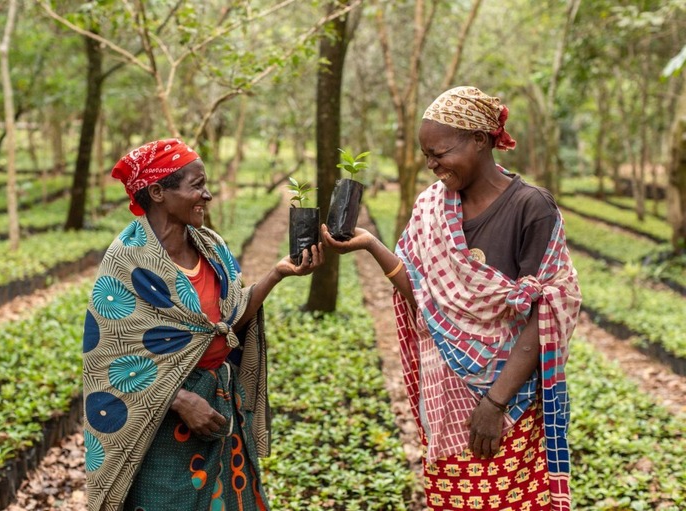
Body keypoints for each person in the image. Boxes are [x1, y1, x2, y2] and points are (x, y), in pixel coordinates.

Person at [322, 86, 582, 511]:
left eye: (440, 152)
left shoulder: (531, 208)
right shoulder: (432, 207)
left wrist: (494, 403)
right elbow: (425, 297)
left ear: (480, 139)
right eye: (427, 155)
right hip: (445, 401)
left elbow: (547, 311)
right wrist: (370, 244)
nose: (432, 165)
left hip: (510, 403)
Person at [81, 138, 324, 511]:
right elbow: (109, 363)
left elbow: (226, 324)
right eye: (197, 185)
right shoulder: (127, 261)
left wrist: (277, 274)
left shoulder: (210, 245)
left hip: (218, 407)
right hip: (160, 428)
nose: (207, 195)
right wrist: (178, 399)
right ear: (159, 191)